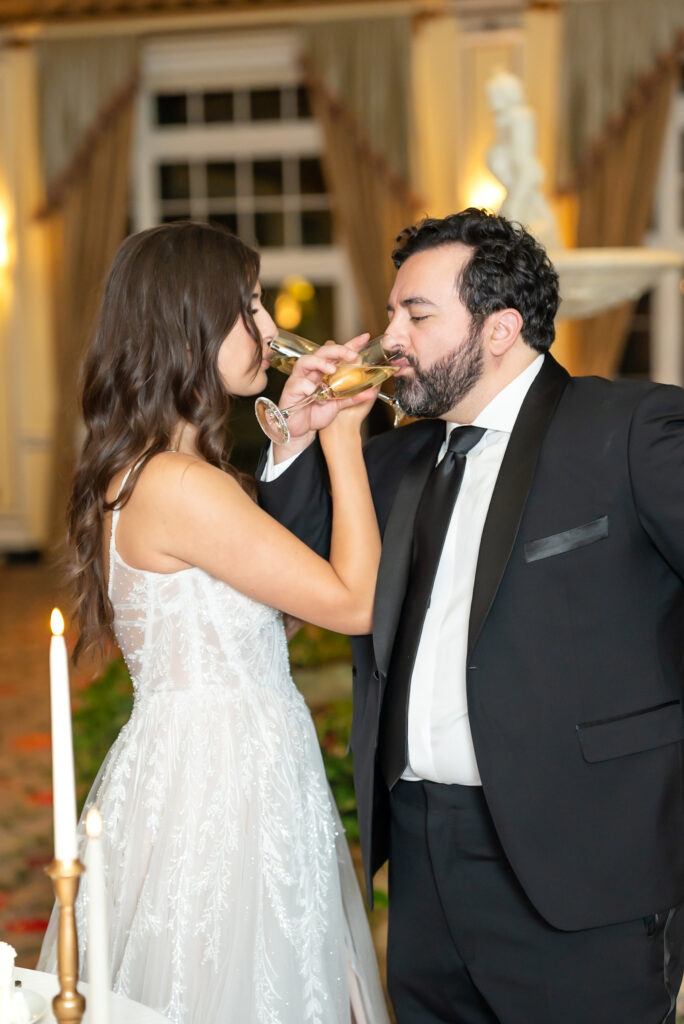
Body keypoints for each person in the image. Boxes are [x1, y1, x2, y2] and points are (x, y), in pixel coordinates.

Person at [258, 207, 684, 1023]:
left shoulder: (629, 430)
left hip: (586, 866)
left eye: (416, 315)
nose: (389, 337)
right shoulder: (391, 459)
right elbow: (294, 570)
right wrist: (298, 441)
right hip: (423, 863)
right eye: (390, 312)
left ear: (499, 330)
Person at [37, 221, 391, 1024]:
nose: (269, 330)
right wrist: (342, 438)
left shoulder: (152, 469)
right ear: (188, 323)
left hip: (214, 756)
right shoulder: (180, 485)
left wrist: (291, 433)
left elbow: (254, 610)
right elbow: (351, 602)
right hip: (225, 779)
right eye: (248, 308)